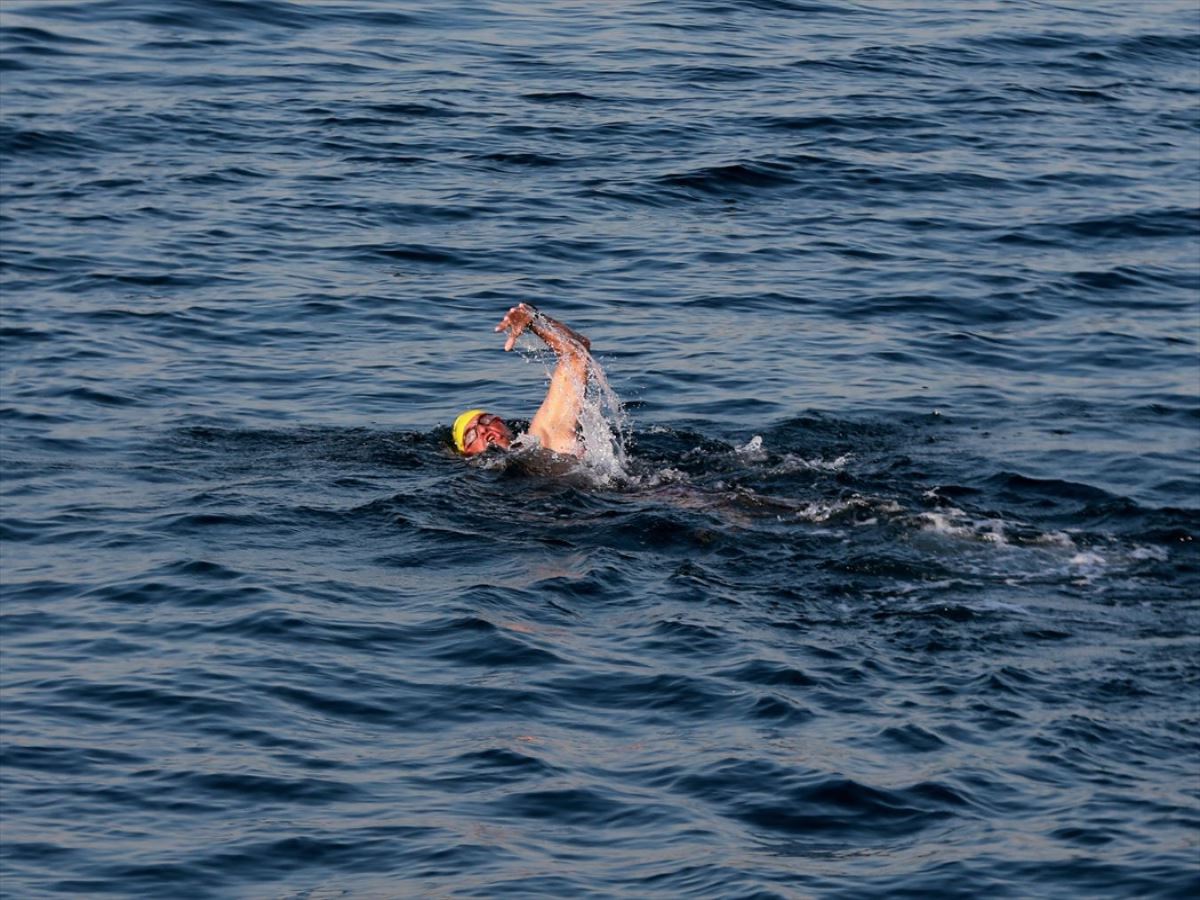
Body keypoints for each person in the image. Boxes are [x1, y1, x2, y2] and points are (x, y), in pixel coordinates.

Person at [451, 303, 592, 457]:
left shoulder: (545, 440)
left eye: (485, 421)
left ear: (503, 424)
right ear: (467, 454)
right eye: (471, 436)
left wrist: (535, 322)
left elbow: (577, 355)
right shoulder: (475, 477)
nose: (483, 430)